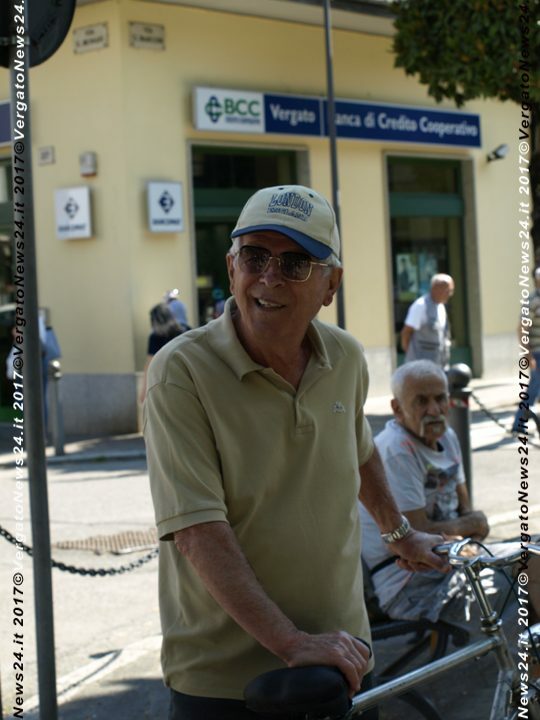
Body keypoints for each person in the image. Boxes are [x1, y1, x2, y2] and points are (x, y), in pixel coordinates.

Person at [144, 184, 447, 720]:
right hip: (229, 682)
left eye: (295, 263)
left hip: (344, 657)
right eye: (254, 257)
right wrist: (292, 642)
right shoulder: (180, 371)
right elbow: (197, 531)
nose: (270, 277)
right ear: (232, 267)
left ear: (331, 284)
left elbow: (358, 452)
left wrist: (399, 534)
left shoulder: (345, 357)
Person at [360, 360, 539, 628]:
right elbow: (418, 534)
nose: (434, 410)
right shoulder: (397, 449)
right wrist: (469, 526)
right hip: (409, 583)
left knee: (535, 554)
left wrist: (468, 528)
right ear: (397, 409)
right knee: (526, 583)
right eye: (421, 401)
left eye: (440, 399)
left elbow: (469, 514)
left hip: (454, 556)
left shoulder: (447, 437)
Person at [401, 274, 454, 369]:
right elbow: (406, 332)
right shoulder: (420, 306)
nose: (450, 294)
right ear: (435, 289)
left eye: (451, 291)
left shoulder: (441, 307)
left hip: (438, 365)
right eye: (448, 291)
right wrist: (412, 357)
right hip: (420, 367)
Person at [511, 266, 540, 433]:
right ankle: (519, 423)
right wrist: (528, 355)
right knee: (533, 389)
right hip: (537, 352)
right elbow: (522, 329)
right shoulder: (531, 301)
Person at [139, 303, 183, 403]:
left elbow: (149, 364)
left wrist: (144, 390)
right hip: (183, 378)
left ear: (155, 321)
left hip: (164, 382)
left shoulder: (155, 337)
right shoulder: (184, 331)